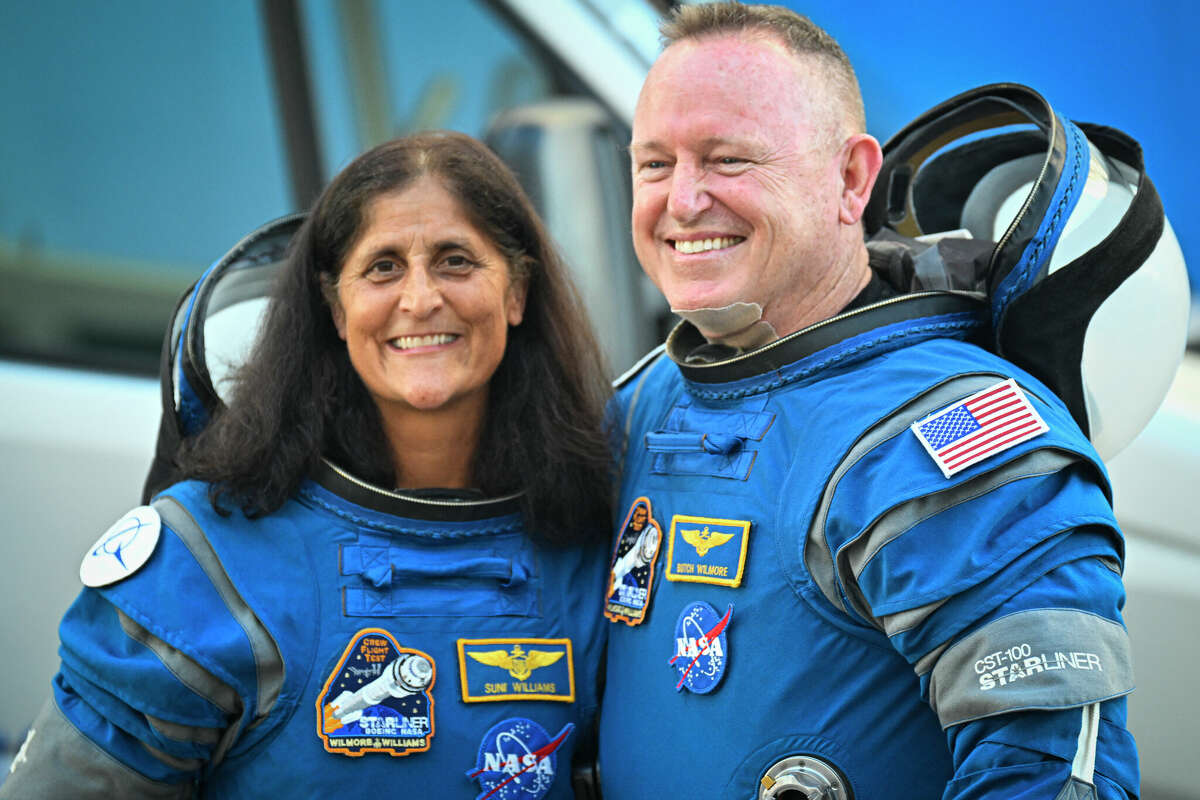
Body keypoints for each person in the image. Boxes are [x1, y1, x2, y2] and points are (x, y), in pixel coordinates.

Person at [598, 3, 1139, 798]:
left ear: (852, 178)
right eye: (654, 164)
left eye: (727, 160)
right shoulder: (648, 399)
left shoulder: (951, 435)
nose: (682, 201)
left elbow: (1048, 776)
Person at [2, 131, 613, 798]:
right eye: (383, 267)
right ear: (336, 308)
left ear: (517, 291)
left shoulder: (585, 545)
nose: (419, 299)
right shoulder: (205, 565)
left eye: (455, 261)